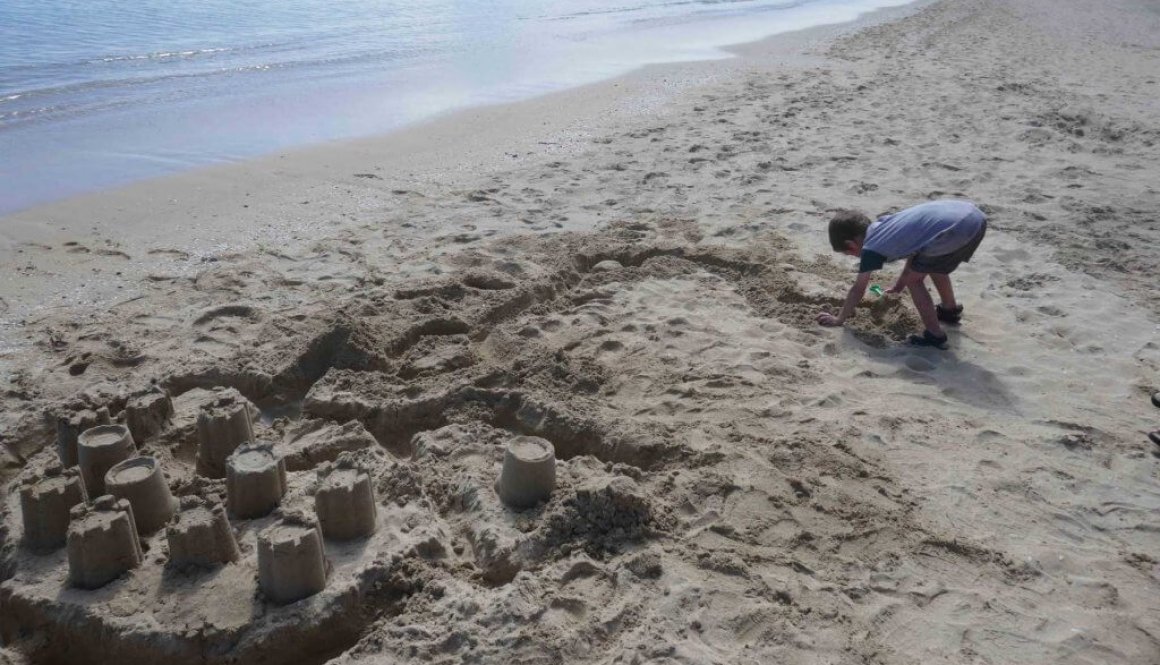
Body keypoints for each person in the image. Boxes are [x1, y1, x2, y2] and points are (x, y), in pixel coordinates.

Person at [816, 199, 987, 349]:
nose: (855, 257)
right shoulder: (885, 225)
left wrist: (839, 319)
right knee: (934, 265)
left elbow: (858, 289)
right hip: (973, 217)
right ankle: (949, 310)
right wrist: (898, 287)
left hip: (952, 230)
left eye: (850, 254)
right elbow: (915, 254)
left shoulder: (871, 248)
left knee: (915, 281)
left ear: (851, 245)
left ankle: (935, 334)